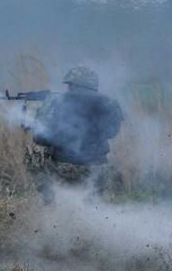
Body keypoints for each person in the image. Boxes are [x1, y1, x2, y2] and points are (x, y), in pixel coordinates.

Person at [27, 66, 123, 203]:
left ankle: (50, 200)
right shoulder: (109, 103)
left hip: (64, 168)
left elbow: (40, 138)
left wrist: (38, 114)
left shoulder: (58, 101)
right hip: (97, 169)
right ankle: (94, 201)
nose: (68, 88)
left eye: (69, 85)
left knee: (33, 154)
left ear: (74, 85)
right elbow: (112, 133)